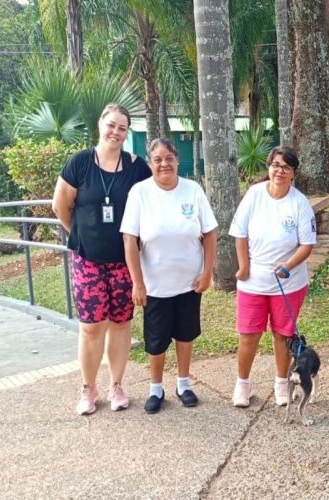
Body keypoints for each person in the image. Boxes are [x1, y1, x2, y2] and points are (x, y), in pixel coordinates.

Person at [52, 103, 152, 415]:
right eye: (111, 125)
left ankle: (117, 385)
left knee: (122, 324)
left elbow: (150, 207)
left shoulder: (137, 167)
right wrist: (81, 234)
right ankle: (88, 388)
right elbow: (60, 206)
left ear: (127, 132)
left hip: (124, 262)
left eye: (122, 128)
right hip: (88, 261)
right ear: (100, 125)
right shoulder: (80, 163)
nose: (116, 132)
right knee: (92, 327)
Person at [120, 138, 217, 414]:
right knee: (156, 339)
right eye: (158, 159)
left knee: (185, 335)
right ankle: (155, 388)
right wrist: (137, 283)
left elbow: (210, 233)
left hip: (189, 283)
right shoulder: (140, 193)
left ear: (177, 160)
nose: (164, 164)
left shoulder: (193, 190)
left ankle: (184, 384)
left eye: (169, 158)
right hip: (155, 286)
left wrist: (207, 272)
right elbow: (130, 240)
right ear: (150, 164)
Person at [229, 146, 316, 408]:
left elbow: (307, 244)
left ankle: (281, 382)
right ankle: (242, 384)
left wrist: (288, 265)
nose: (279, 171)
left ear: (293, 173)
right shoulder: (254, 195)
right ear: (269, 168)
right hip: (253, 283)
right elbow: (240, 233)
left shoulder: (299, 202)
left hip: (288, 284)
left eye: (286, 167)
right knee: (249, 334)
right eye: (275, 165)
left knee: (282, 335)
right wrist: (244, 267)